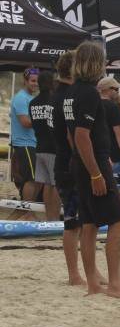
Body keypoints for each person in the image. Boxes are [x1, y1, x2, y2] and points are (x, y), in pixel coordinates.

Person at [66, 41, 120, 298]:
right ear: (95, 63)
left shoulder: (70, 92)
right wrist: (95, 172)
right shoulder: (89, 94)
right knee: (118, 221)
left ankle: (93, 283)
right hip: (93, 162)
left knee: (89, 223)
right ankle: (114, 284)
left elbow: (71, 135)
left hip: (79, 161)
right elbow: (81, 135)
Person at [52, 51, 84, 286]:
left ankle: (84, 271)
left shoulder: (57, 94)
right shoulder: (67, 96)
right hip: (70, 163)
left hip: (62, 160)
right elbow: (70, 134)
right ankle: (74, 274)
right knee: (73, 222)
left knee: (80, 221)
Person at [27, 70, 59, 220]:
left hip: (39, 146)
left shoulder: (32, 103)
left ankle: (48, 217)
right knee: (56, 184)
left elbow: (34, 124)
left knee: (46, 183)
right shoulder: (54, 101)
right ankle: (54, 219)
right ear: (52, 83)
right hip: (53, 148)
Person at [98, 76, 120, 198]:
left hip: (100, 155)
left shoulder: (93, 105)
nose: (118, 92)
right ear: (108, 89)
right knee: (118, 194)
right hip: (114, 155)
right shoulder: (111, 107)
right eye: (116, 89)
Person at [9, 68, 40, 201]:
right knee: (31, 179)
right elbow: (25, 122)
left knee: (36, 179)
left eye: (37, 81)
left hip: (32, 144)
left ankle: (24, 208)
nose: (36, 84)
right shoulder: (21, 98)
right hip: (24, 144)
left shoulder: (31, 98)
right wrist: (43, 119)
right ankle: (27, 209)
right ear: (25, 81)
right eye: (33, 81)